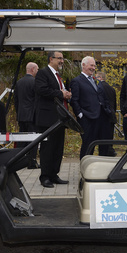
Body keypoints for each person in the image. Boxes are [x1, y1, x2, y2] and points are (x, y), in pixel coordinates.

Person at [35, 51, 72, 188]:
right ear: (51, 59)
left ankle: (54, 174)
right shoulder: (43, 73)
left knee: (58, 148)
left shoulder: (58, 76)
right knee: (47, 148)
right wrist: (60, 93)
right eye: (59, 58)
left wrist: (66, 94)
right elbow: (41, 90)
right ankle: (45, 177)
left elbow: (59, 92)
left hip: (59, 119)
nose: (62, 61)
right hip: (47, 118)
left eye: (63, 58)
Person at [70, 56, 111, 160]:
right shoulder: (77, 81)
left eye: (94, 65)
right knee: (88, 146)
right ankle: (84, 170)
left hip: (100, 118)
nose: (93, 68)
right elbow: (74, 100)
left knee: (102, 145)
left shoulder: (94, 81)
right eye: (91, 65)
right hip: (87, 119)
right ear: (83, 65)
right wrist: (80, 115)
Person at [14, 62, 40, 169]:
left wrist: (18, 112)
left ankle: (17, 160)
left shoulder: (19, 82)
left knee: (22, 139)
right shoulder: (35, 82)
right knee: (33, 140)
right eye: (37, 69)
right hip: (32, 116)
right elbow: (37, 100)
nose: (38, 71)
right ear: (33, 69)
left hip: (21, 115)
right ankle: (31, 162)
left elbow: (16, 100)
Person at [96, 71, 117, 156]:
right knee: (109, 138)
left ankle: (104, 154)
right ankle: (109, 151)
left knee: (102, 140)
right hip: (111, 116)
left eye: (96, 77)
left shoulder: (99, 88)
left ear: (100, 78)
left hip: (103, 116)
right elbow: (114, 104)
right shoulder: (112, 89)